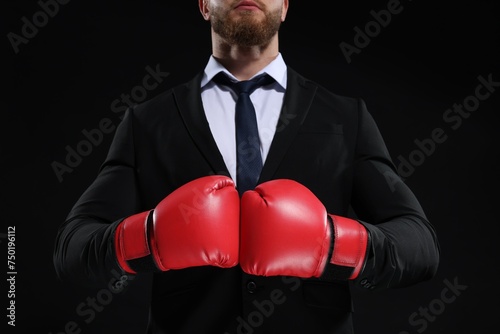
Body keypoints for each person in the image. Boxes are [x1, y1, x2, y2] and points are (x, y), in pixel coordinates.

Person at [53, 0, 440, 333]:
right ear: (204, 5)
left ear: (285, 6)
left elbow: (420, 246)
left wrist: (333, 245)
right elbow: (72, 250)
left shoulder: (345, 117)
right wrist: (150, 237)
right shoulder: (147, 123)